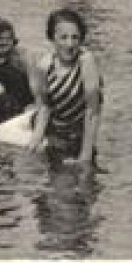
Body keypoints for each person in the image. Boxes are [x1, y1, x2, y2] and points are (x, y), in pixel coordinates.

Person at [27, 9, 103, 164]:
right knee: (58, 183)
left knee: (86, 181)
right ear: (52, 38)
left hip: (79, 133)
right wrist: (34, 141)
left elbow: (92, 112)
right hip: (56, 133)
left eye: (75, 38)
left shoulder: (86, 62)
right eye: (63, 37)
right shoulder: (44, 66)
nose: (70, 44)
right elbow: (44, 106)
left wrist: (85, 157)